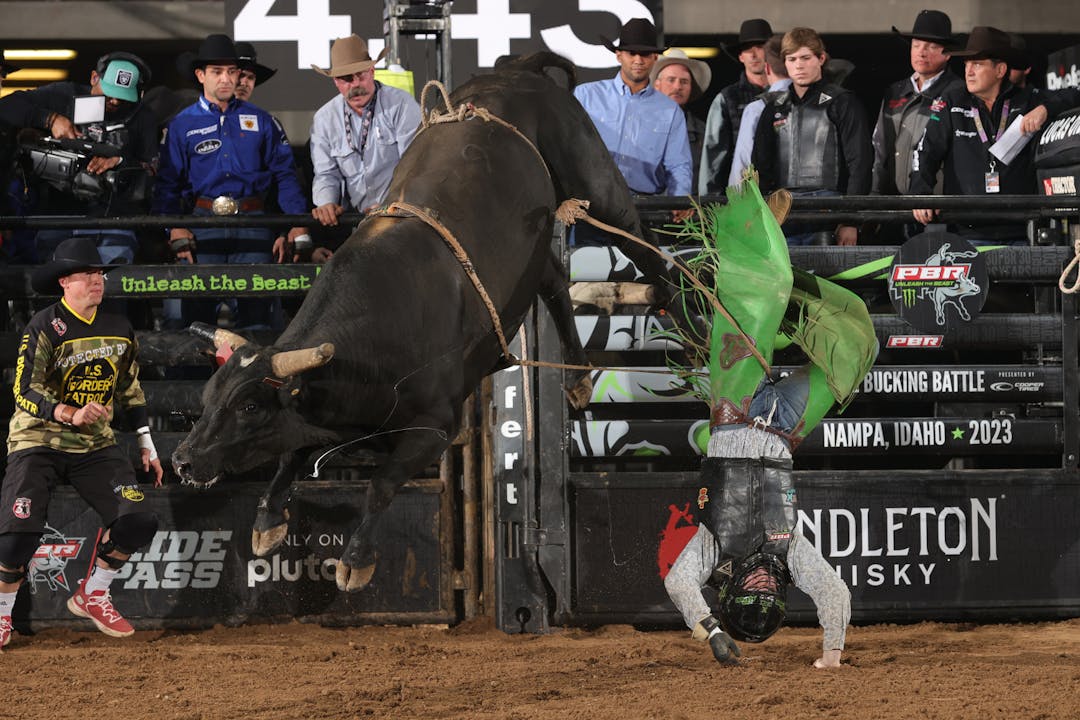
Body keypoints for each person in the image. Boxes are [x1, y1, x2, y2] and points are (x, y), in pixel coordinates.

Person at [663, 177, 877, 668]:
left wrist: (710, 632)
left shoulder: (710, 549)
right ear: (781, 594)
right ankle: (785, 308)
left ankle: (746, 231)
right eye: (768, 596)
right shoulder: (793, 553)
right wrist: (832, 653)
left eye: (748, 596)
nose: (760, 586)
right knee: (856, 347)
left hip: (733, 406)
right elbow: (834, 592)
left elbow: (677, 582)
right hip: (785, 428)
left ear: (730, 593)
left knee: (768, 287)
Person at [0, 237, 163, 649]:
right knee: (19, 532)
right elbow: (22, 390)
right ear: (65, 283)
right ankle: (2, 616)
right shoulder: (44, 325)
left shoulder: (120, 328)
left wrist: (146, 441)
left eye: (100, 274)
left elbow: (130, 390)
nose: (97, 281)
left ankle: (93, 592)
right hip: (37, 439)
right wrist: (68, 412)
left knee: (138, 520)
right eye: (87, 275)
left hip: (93, 445)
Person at [154, 34, 309, 329]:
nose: (225, 79)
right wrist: (172, 226)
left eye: (231, 71)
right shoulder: (180, 125)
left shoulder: (263, 121)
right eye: (216, 72)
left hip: (253, 225)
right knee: (197, 323)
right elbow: (167, 183)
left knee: (258, 319)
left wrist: (297, 222)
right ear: (200, 75)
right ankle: (195, 376)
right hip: (202, 228)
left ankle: (255, 377)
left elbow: (285, 175)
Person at [909, 27, 1080, 245]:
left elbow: (1075, 94)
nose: (968, 72)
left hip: (1023, 232)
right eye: (967, 64)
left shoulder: (1028, 100)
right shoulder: (952, 101)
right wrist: (920, 193)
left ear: (1000, 70)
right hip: (966, 233)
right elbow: (925, 151)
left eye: (977, 64)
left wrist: (1046, 108)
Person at [0, 52, 157, 264]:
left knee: (110, 287)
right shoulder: (64, 96)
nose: (114, 101)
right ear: (94, 78)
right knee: (55, 287)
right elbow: (7, 107)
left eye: (122, 98)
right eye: (108, 94)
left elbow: (153, 169)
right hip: (56, 216)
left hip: (113, 221)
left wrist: (120, 162)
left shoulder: (142, 116)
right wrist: (51, 119)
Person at [751, 27, 872, 245]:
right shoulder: (773, 107)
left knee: (828, 276)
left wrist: (850, 221)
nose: (799, 65)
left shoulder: (843, 102)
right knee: (785, 278)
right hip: (782, 208)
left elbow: (860, 163)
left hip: (829, 208)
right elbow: (759, 165)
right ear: (784, 63)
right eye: (792, 58)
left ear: (821, 58)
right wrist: (759, 216)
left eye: (806, 57)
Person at [573, 18, 692, 232]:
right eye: (631, 53)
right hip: (591, 206)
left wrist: (680, 201)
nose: (638, 59)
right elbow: (567, 149)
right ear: (619, 55)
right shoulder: (585, 96)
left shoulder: (670, 110)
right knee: (581, 265)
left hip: (645, 211)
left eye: (645, 53)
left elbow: (678, 165)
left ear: (655, 57)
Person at [309, 34, 421, 245]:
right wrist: (326, 203)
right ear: (336, 82)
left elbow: (415, 166)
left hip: (400, 219)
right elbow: (326, 174)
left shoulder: (401, 105)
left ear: (372, 71)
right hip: (353, 225)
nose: (356, 85)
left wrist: (389, 204)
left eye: (360, 75)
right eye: (347, 79)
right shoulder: (324, 119)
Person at [872, 10, 963, 196]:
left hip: (936, 204)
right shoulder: (894, 91)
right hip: (893, 202)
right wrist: (875, 194)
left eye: (930, 47)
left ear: (947, 54)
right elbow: (880, 148)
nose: (921, 52)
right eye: (916, 45)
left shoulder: (958, 92)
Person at [700, 18, 773, 195]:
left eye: (760, 47)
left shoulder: (788, 93)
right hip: (741, 193)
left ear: (771, 53)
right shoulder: (727, 98)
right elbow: (714, 156)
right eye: (748, 49)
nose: (754, 54)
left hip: (782, 193)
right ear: (740, 56)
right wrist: (710, 202)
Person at [728, 34, 790, 186]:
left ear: (767, 68)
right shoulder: (818, 101)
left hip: (770, 200)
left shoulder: (756, 109)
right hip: (816, 199)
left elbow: (743, 165)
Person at [650, 48, 711, 191]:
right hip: (647, 210)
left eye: (684, 82)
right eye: (671, 80)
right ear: (657, 85)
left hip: (692, 209)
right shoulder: (637, 126)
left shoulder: (704, 132)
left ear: (691, 88)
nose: (677, 87)